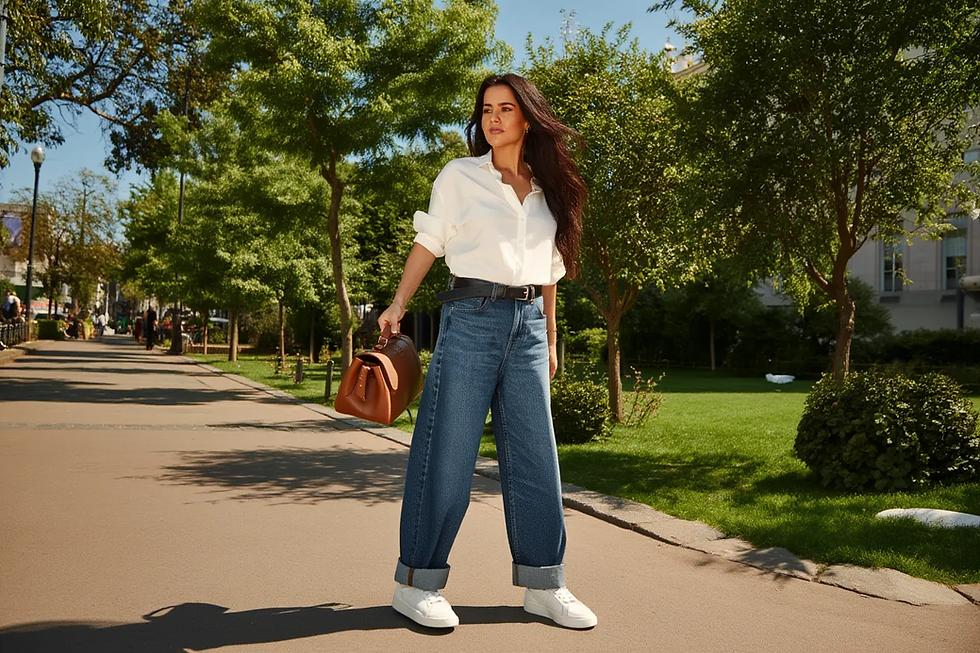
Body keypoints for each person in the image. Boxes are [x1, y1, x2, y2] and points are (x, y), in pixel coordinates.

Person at [376, 73, 596, 631]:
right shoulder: (460, 175)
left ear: (528, 117)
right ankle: (416, 581)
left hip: (526, 325)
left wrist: (548, 338)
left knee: (536, 457)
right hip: (471, 318)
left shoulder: (549, 188)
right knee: (446, 453)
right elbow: (429, 240)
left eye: (506, 108)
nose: (494, 117)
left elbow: (550, 272)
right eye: (486, 109)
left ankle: (544, 582)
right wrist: (398, 303)